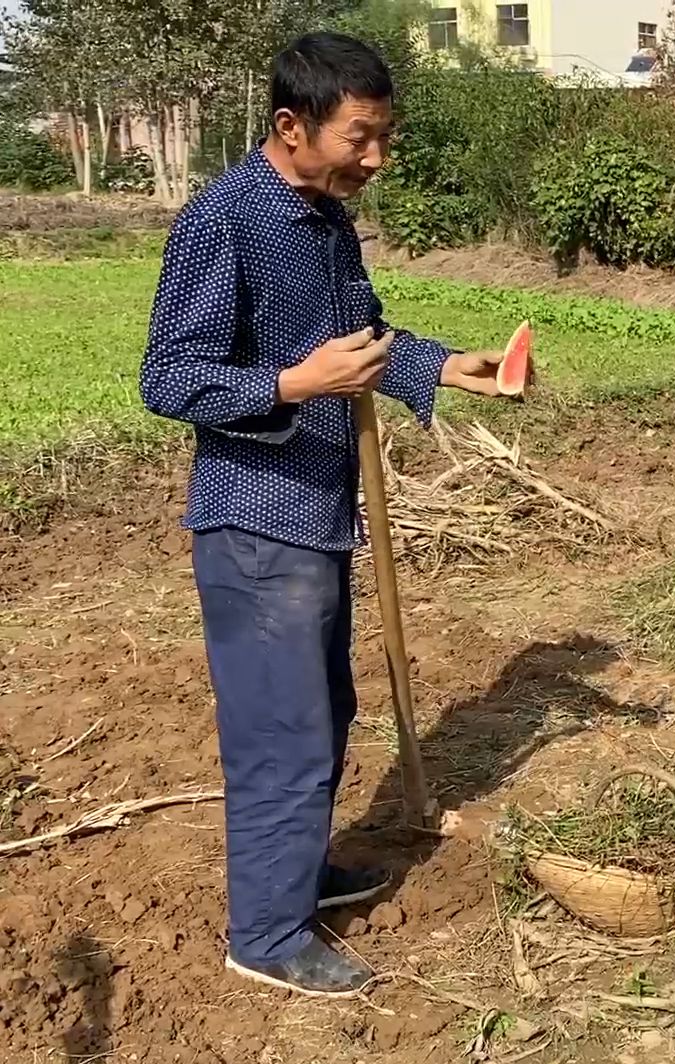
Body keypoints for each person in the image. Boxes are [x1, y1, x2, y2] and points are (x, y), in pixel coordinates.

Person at [139, 31, 514, 998]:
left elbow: (364, 335)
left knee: (326, 710)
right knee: (283, 730)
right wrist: (294, 381)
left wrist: (444, 365)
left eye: (385, 136)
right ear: (291, 126)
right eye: (362, 137)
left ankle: (300, 873)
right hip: (255, 521)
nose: (377, 158)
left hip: (320, 512)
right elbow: (169, 378)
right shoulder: (221, 221)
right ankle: (265, 936)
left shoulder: (326, 217)